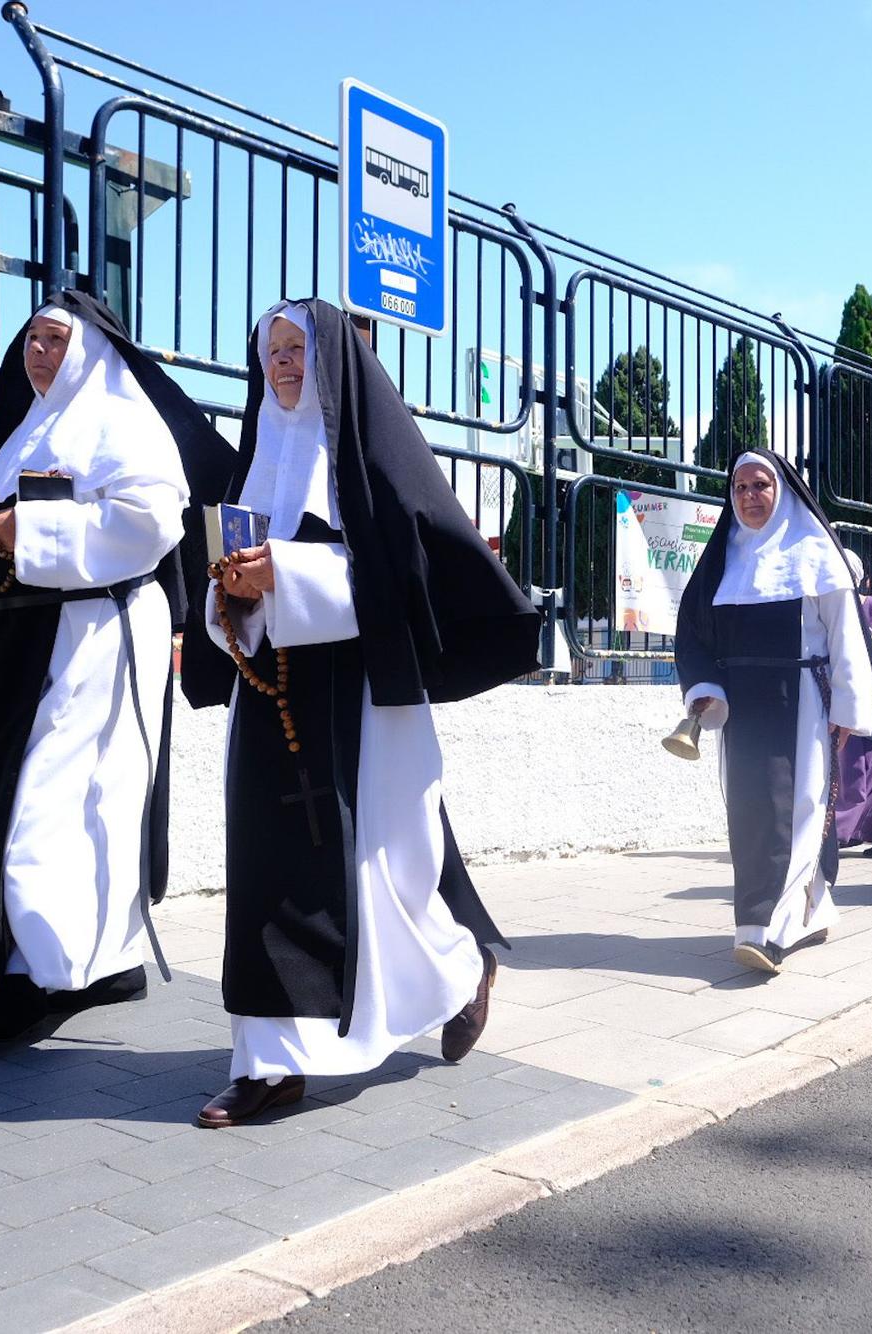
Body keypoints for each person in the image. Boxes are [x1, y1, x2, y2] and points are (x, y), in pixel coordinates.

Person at [186, 300, 541, 1127]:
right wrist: (230, 597)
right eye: (267, 350)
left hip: (359, 700)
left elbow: (391, 590)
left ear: (329, 365)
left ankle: (460, 970)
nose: (278, 363)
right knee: (265, 867)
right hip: (269, 691)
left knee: (384, 883)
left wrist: (287, 576)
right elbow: (227, 590)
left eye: (294, 350)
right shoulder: (260, 463)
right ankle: (271, 1059)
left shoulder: (361, 468)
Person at [0, 295, 235, 1043]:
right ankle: (104, 964)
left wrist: (25, 527)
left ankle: (34, 978)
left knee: (57, 802)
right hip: (29, 634)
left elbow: (151, 520)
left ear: (90, 350)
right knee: (47, 799)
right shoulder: (26, 432)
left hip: (98, 631)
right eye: (30, 339)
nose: (38, 352)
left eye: (55, 339)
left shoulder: (125, 420)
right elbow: (2, 532)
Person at [675, 450, 872, 974]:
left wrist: (848, 709)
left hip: (802, 698)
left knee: (794, 811)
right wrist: (703, 687)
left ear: (782, 490)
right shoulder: (722, 560)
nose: (749, 496)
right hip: (739, 704)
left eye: (760, 485)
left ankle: (764, 931)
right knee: (750, 810)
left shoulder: (815, 552)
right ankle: (808, 910)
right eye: (739, 487)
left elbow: (846, 636)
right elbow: (693, 634)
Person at [832, 549, 872, 847]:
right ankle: (845, 830)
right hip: (845, 696)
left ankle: (867, 830)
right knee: (852, 767)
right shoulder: (828, 610)